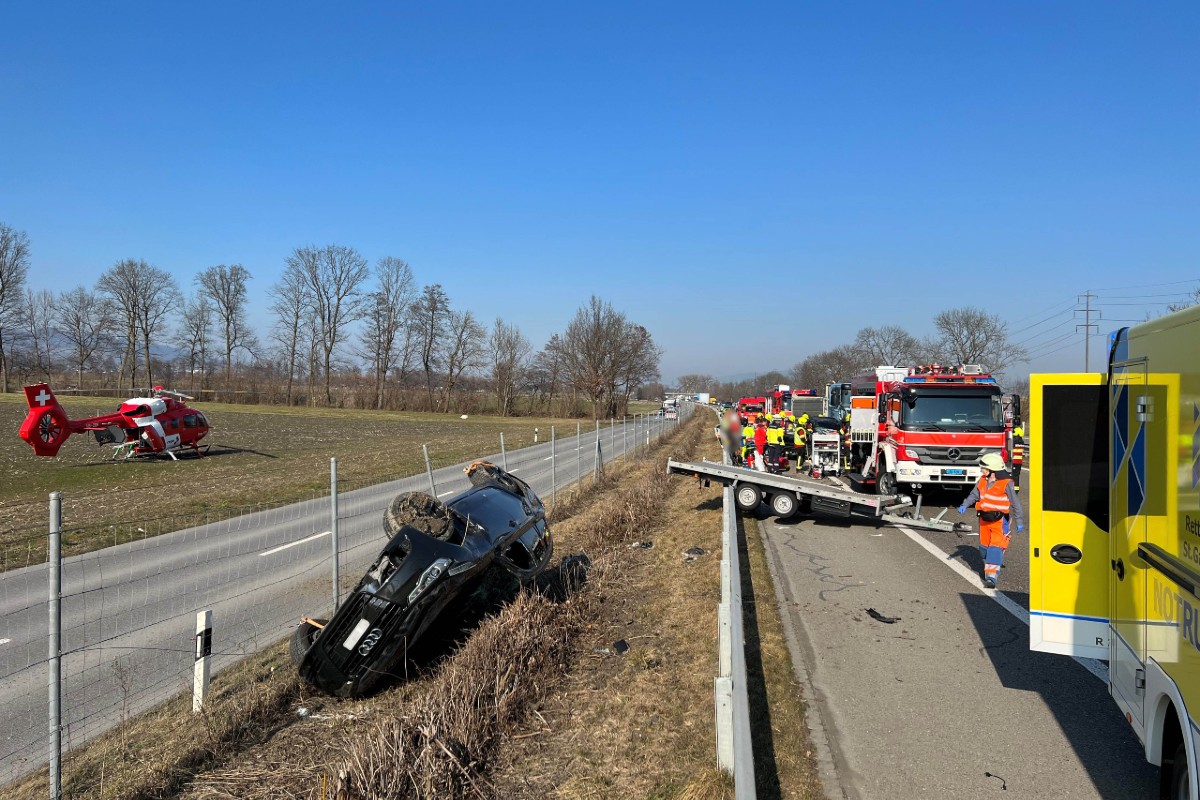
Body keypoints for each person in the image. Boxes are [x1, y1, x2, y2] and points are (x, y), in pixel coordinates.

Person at [959, 452, 1023, 588]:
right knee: (984, 548)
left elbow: (1015, 503)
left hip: (1000, 520)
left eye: (984, 468)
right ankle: (991, 565)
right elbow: (974, 494)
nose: (981, 470)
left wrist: (1019, 521)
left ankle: (991, 577)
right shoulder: (982, 480)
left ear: (992, 470)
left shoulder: (1006, 483)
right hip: (984, 519)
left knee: (995, 548)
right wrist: (965, 504)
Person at [1010, 426, 1025, 492]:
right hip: (1019, 461)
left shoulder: (1014, 441)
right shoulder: (1022, 441)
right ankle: (1016, 489)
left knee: (1012, 476)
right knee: (1017, 476)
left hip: (1014, 461)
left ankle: (1012, 490)